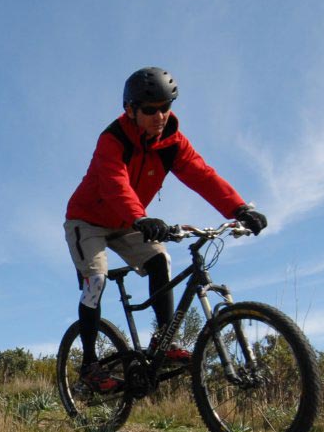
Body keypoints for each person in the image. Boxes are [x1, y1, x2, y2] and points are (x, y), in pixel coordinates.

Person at [65, 66, 267, 392]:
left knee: (160, 260)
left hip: (128, 222)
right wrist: (141, 217)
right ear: (130, 110)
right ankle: (89, 365)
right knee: (96, 280)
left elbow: (203, 176)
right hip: (87, 221)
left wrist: (239, 208)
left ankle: (163, 339)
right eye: (150, 110)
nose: (159, 115)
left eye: (166, 107)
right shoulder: (112, 140)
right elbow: (115, 184)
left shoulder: (172, 143)